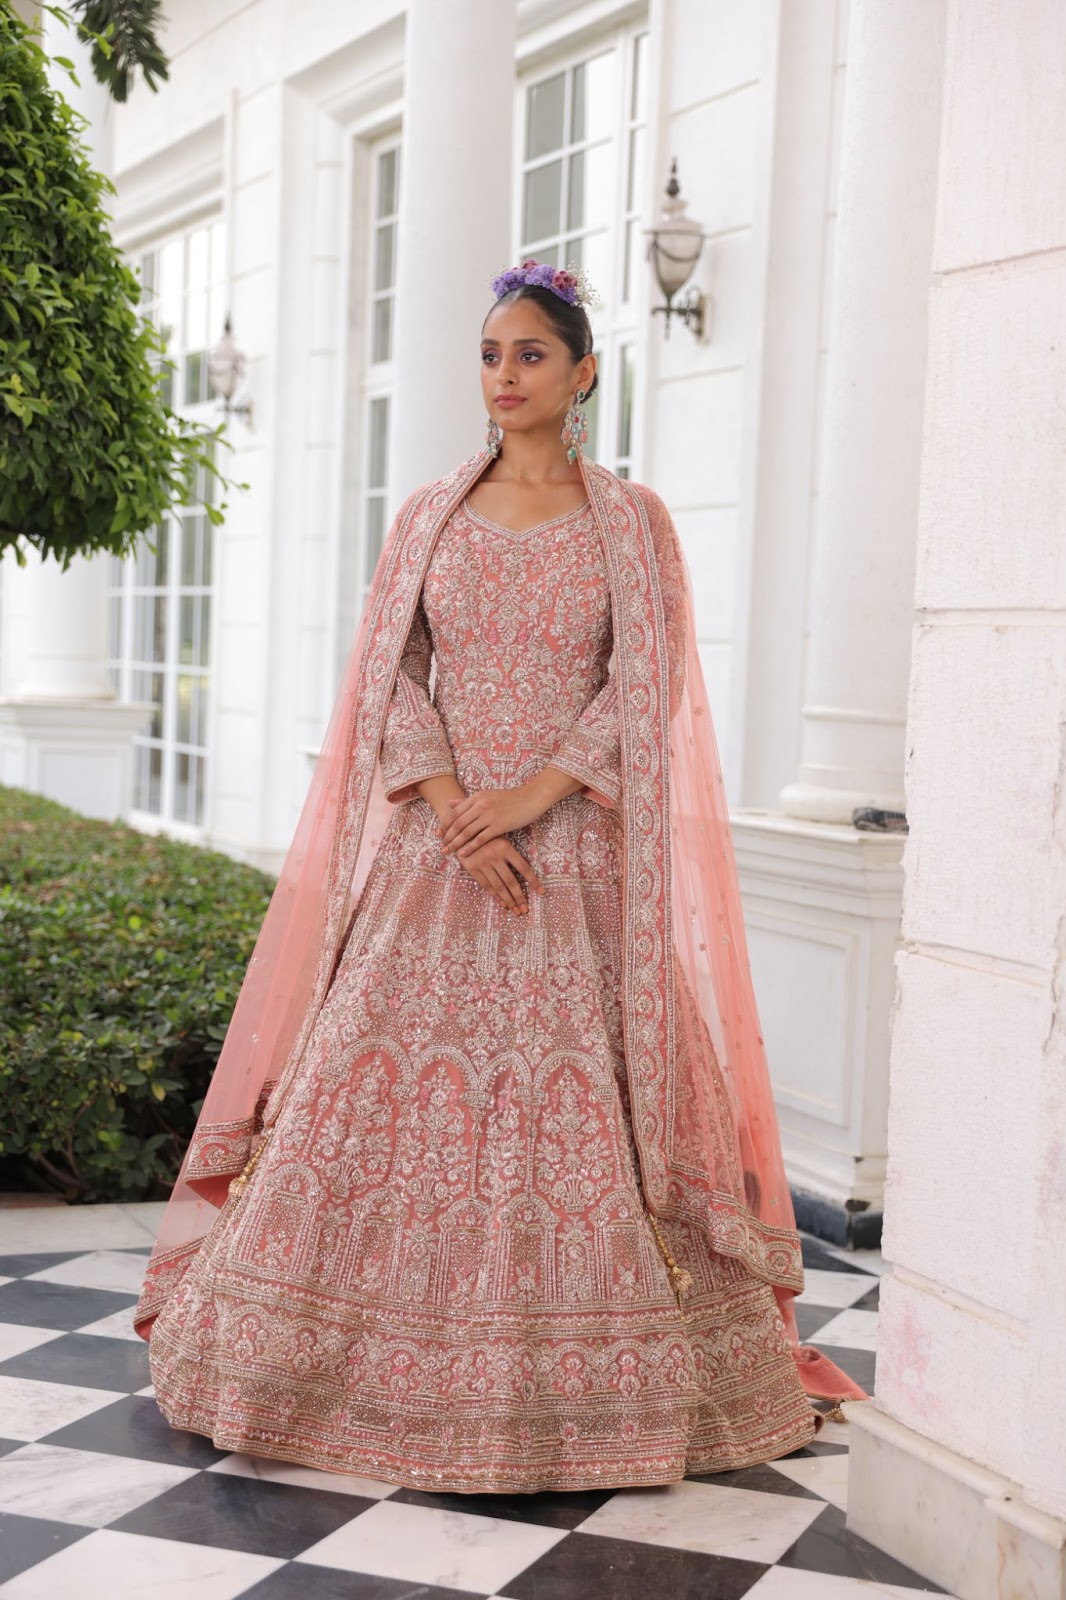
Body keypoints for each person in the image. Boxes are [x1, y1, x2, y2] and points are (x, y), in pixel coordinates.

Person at [134, 257, 866, 1493]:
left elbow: (648, 684)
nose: (506, 375)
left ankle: (583, 1383)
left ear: (584, 372)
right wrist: (448, 807)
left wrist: (525, 802)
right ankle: (320, 1366)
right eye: (490, 355)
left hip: (570, 855)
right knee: (373, 1090)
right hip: (437, 849)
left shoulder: (631, 521)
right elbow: (389, 672)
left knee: (566, 1092)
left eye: (531, 354)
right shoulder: (424, 514)